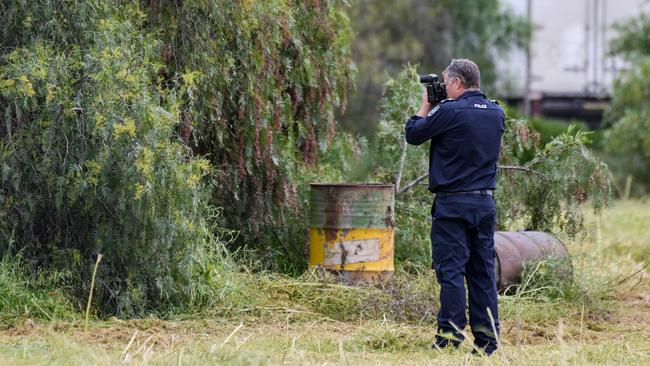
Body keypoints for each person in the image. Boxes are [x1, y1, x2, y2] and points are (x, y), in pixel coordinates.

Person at [404, 59, 505, 355]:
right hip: (484, 203)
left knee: (450, 271)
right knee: (482, 273)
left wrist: (426, 105)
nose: (443, 89)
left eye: (446, 83)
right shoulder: (496, 112)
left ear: (458, 83)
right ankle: (487, 341)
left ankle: (450, 336)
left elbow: (414, 134)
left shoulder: (449, 111)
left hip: (453, 205)